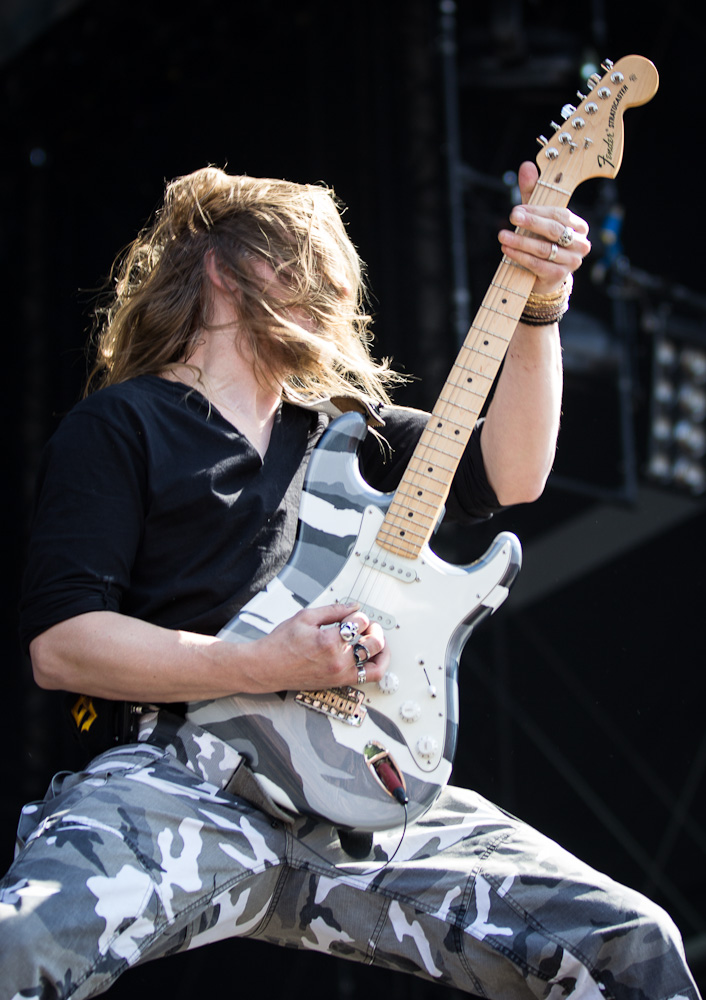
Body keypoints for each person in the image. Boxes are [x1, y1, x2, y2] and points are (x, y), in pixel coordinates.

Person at [0, 162, 700, 1000]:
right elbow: (65, 647)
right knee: (20, 943)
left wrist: (542, 302)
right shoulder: (121, 425)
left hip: (367, 803)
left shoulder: (350, 433)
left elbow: (511, 472)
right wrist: (267, 666)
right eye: (294, 266)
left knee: (629, 946)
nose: (323, 288)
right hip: (184, 783)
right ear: (222, 269)